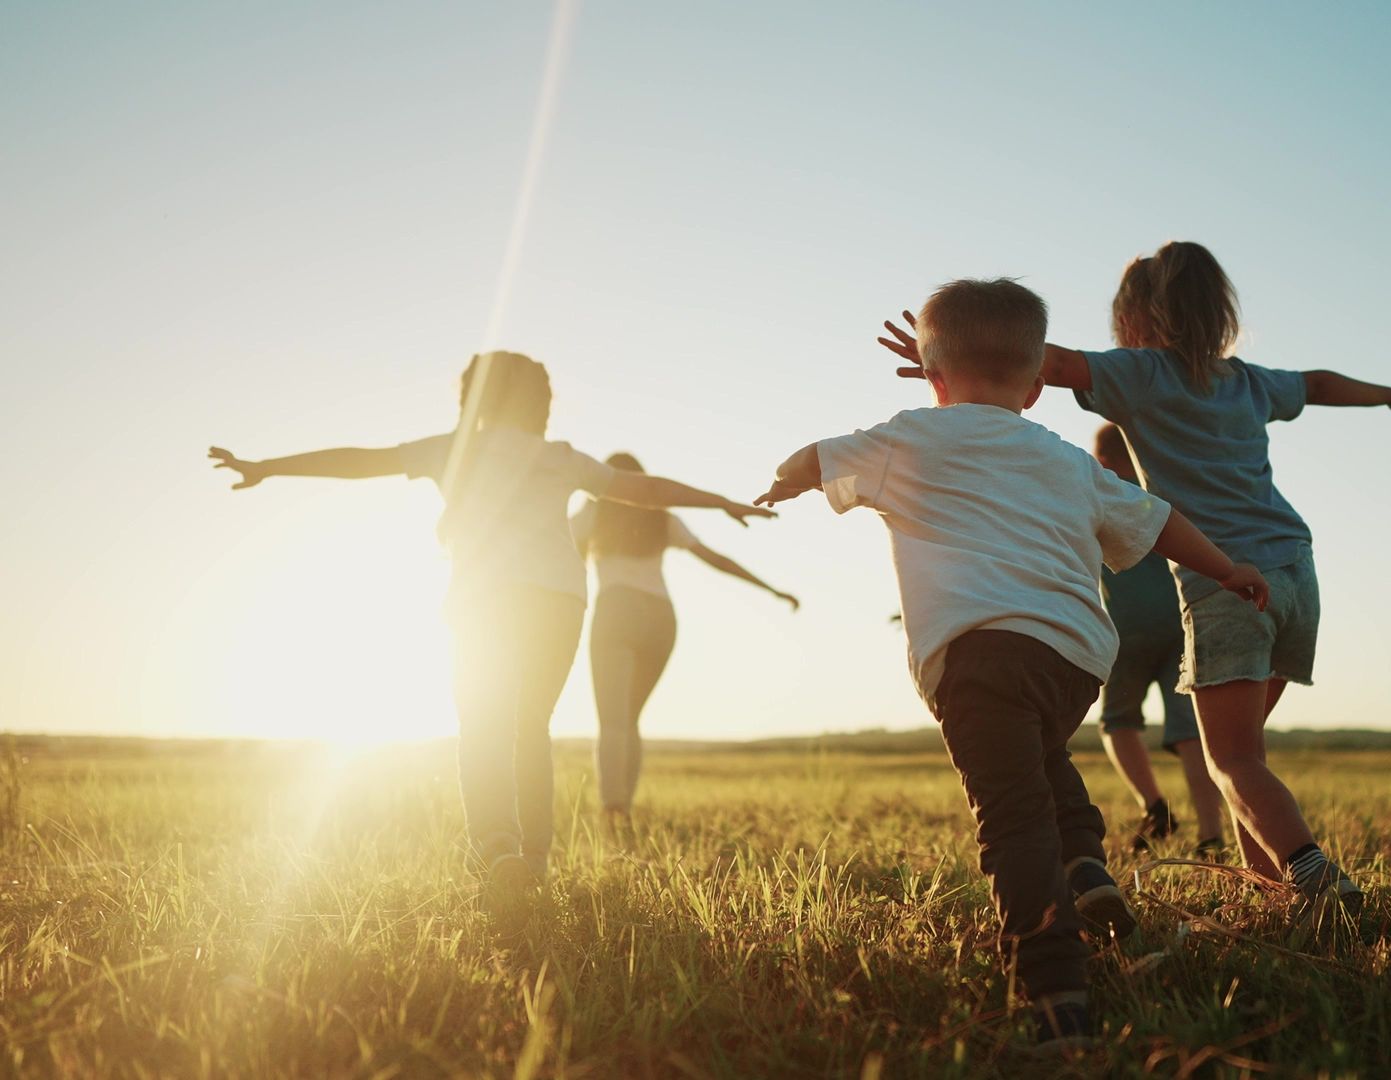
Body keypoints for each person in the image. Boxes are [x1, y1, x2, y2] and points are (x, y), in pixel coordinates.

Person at [881, 242, 1391, 930]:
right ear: (1219, 313)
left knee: (1233, 760)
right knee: (1245, 758)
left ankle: (1311, 872)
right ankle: (1268, 896)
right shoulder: (1247, 381)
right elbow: (1324, 382)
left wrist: (950, 359)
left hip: (1228, 581)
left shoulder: (1141, 374)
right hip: (1295, 574)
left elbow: (1050, 363)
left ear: (1134, 317)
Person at [763, 279, 1266, 1048]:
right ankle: (1087, 866)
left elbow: (815, 457)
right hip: (1072, 661)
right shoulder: (1065, 459)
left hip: (976, 656)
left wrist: (782, 483)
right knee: (1039, 759)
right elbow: (1159, 521)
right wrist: (1228, 569)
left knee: (1011, 818)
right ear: (1036, 388)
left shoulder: (906, 437)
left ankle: (1056, 990)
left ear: (932, 377)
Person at [208, 351, 772, 917]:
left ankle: (500, 851)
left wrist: (267, 466)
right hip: (560, 600)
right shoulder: (559, 457)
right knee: (531, 728)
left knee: (483, 723)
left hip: (487, 598)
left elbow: (360, 461)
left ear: (475, 398)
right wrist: (718, 501)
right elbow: (641, 491)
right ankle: (535, 860)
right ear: (542, 405)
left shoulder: (455, 449)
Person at [572, 452, 799, 833]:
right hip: (660, 618)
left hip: (616, 611)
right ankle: (622, 811)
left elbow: (560, 556)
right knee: (629, 720)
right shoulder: (662, 517)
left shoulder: (591, 515)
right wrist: (772, 590)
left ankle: (614, 813)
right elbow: (716, 559)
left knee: (612, 722)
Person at [1087, 423, 1227, 858]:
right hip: (1182, 624)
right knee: (1191, 733)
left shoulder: (1099, 493)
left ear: (1105, 459)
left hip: (1126, 630)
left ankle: (1155, 806)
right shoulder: (1166, 489)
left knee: (1118, 722)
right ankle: (1211, 835)